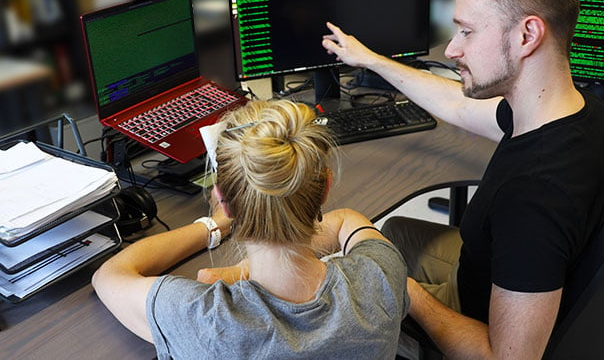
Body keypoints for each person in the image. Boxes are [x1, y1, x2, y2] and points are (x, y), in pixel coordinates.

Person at [321, 0, 604, 358]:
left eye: (466, 32)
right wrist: (371, 60)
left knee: (344, 292)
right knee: (392, 234)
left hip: (482, 321)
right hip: (484, 268)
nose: (450, 50)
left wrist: (407, 292)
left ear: (527, 36)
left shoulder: (534, 198)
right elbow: (458, 106)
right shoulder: (576, 110)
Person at [92, 99, 410, 359]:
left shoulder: (201, 317)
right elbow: (348, 220)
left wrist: (214, 225)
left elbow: (109, 275)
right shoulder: (381, 272)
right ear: (325, 187)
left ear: (224, 202)